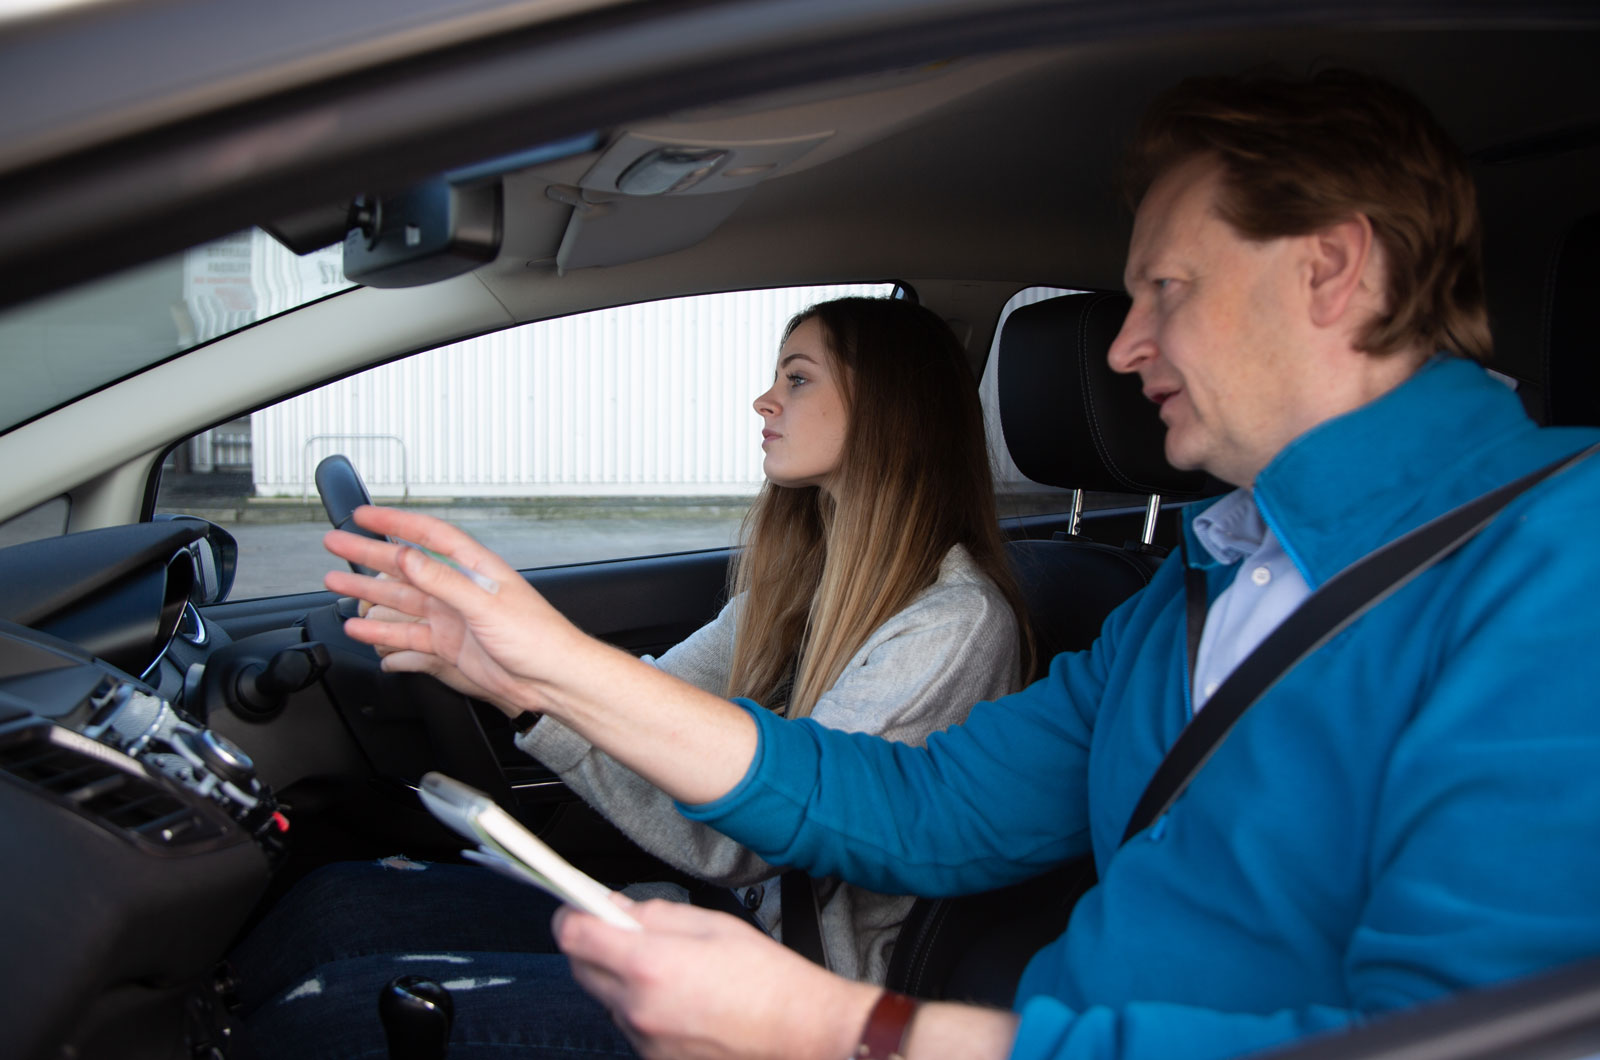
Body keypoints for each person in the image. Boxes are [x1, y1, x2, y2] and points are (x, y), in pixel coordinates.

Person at [325, 69, 1600, 1060]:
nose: (1121, 346)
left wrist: (848, 1032)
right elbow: (917, 807)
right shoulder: (1204, 579)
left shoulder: (1562, 560)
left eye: (1163, 288)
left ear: (1331, 268)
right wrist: (541, 658)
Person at [233, 296, 1028, 1057]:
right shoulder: (802, 585)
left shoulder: (952, 625)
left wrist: (531, 682)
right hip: (704, 921)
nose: (763, 400)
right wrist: (496, 668)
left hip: (790, 989)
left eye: (797, 376)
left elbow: (748, 843)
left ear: (890, 405)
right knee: (337, 905)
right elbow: (642, 703)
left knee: (335, 1022)